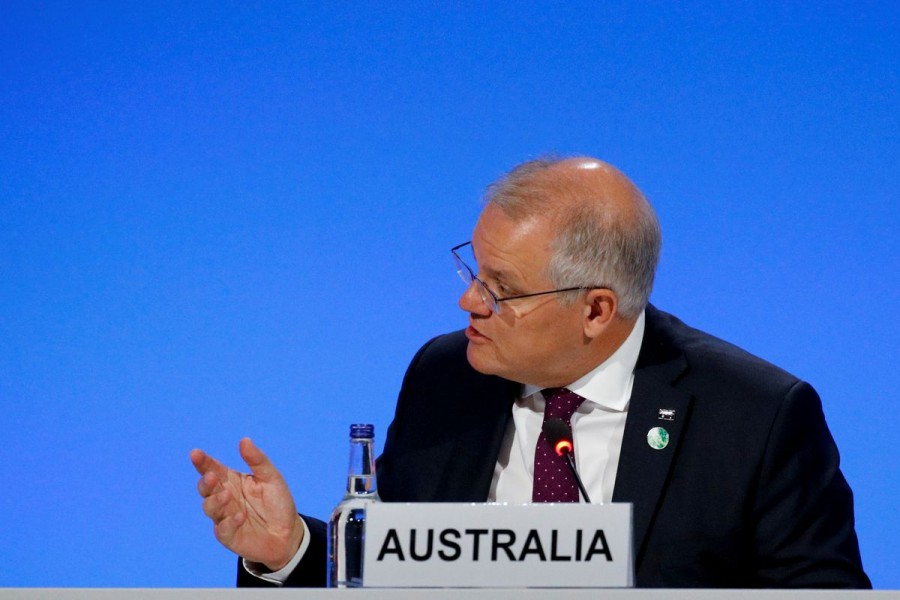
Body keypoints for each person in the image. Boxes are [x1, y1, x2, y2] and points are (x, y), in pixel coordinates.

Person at [190, 157, 870, 588]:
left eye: (501, 289)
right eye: (473, 270)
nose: (468, 302)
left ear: (597, 309)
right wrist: (291, 551)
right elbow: (397, 579)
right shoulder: (445, 378)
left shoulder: (753, 416)